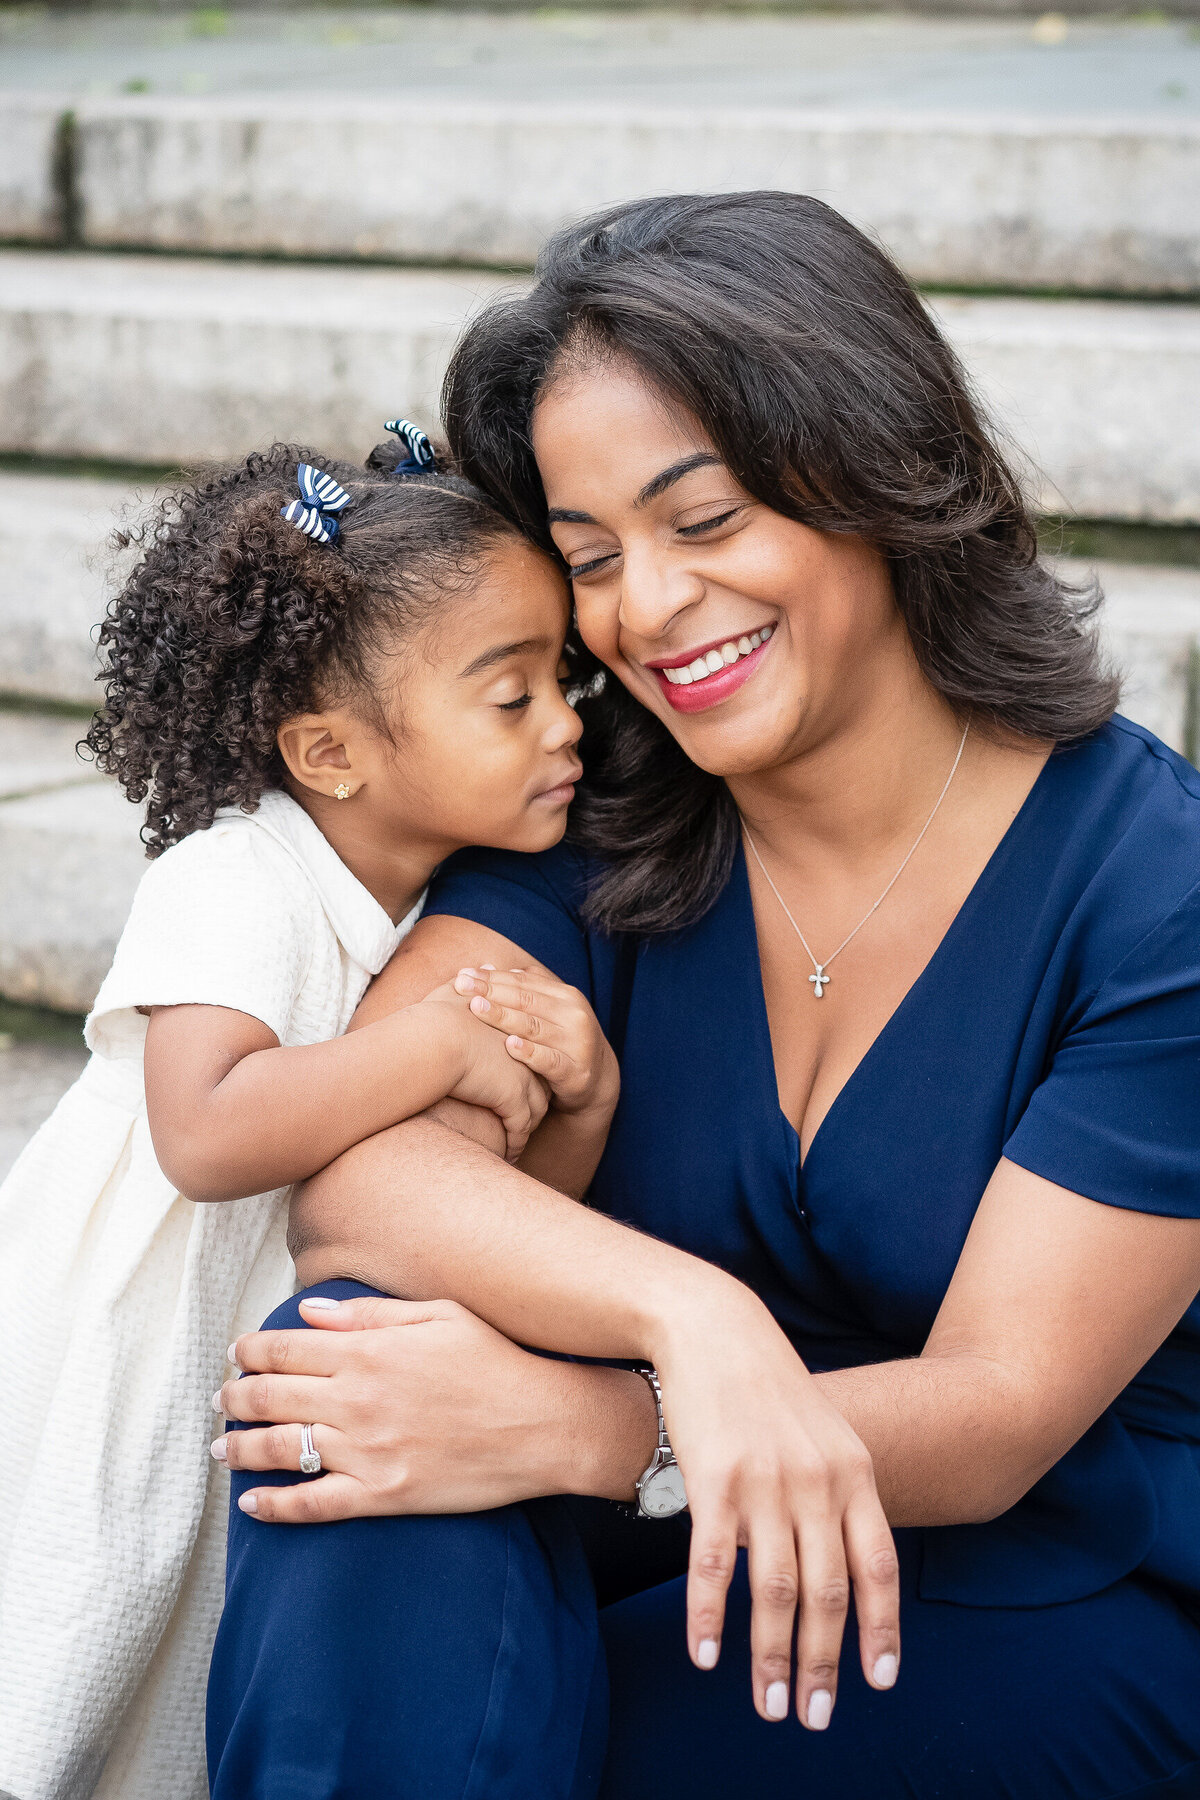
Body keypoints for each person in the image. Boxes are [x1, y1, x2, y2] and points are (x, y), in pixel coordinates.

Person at [206, 192, 1200, 1799]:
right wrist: (693, 1321)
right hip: (645, 1527)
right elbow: (367, 1177)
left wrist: (595, 1426)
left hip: (1023, 1569)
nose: (647, 611)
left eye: (706, 519)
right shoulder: (603, 807)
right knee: (354, 1376)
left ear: (877, 475)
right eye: (591, 557)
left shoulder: (1155, 888)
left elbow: (1006, 1407)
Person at [0, 427, 612, 1800]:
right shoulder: (237, 880)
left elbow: (505, 1220)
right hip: (117, 1346)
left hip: (253, 1354)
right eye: (510, 698)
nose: (570, 723)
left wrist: (584, 1091)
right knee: (64, 1652)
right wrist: (440, 1043)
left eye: (562, 681)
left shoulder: (439, 912)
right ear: (331, 751)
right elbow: (207, 1131)